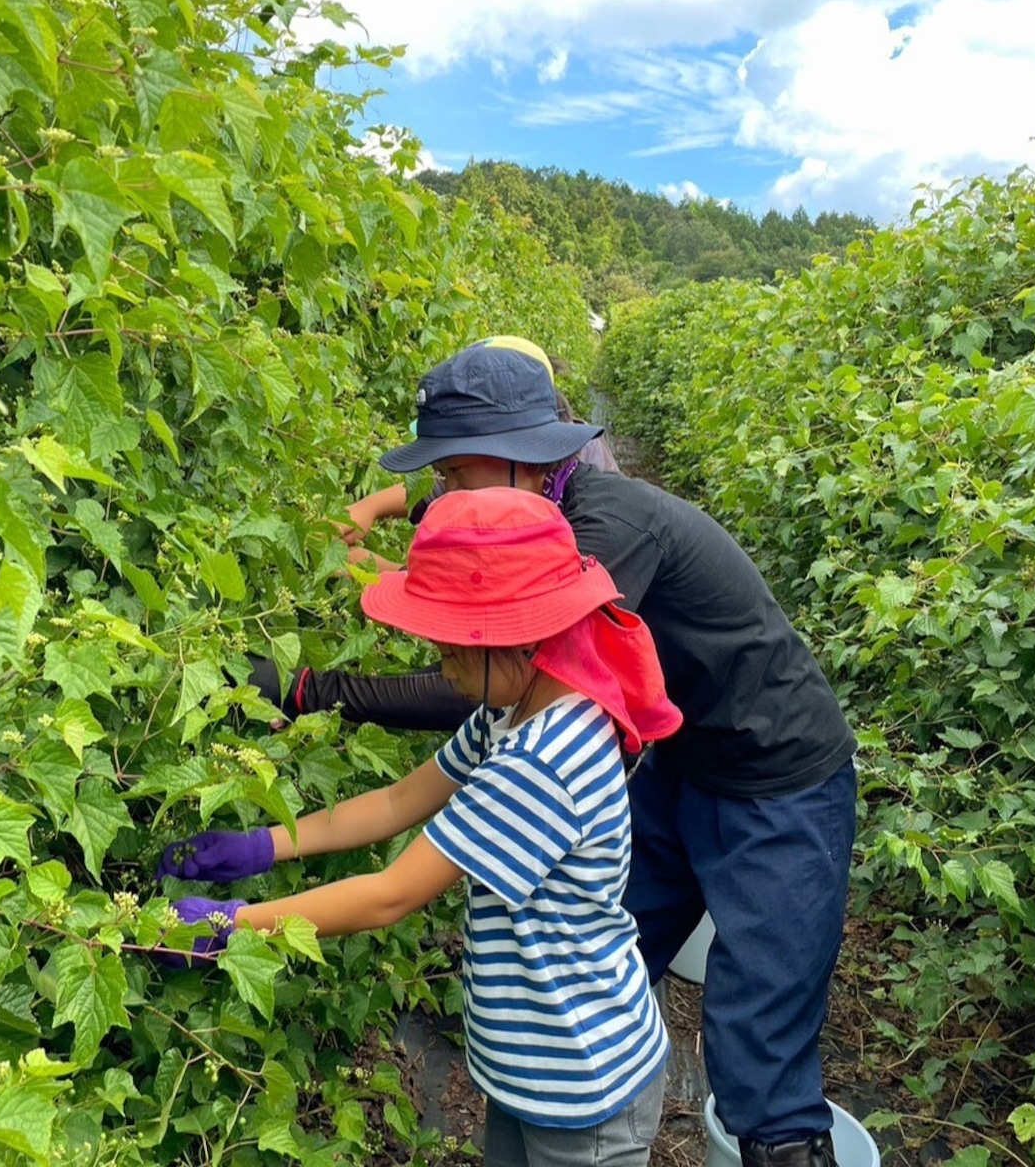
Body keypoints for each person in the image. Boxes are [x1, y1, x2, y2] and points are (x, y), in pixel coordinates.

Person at [238, 345, 857, 1167]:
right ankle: (596, 1069)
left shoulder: (591, 551)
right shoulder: (526, 548)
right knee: (608, 932)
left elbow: (457, 706)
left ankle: (772, 1140)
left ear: (529, 459)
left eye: (455, 474)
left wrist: (310, 691)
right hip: (682, 763)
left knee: (759, 1038)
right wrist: (373, 519)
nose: (443, 493)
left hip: (777, 772)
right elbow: (462, 656)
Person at [159, 488, 682, 1166]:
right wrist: (264, 846)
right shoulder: (513, 710)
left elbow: (392, 895)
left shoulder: (544, 760)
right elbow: (400, 799)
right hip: (533, 1069)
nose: (442, 667)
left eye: (453, 649)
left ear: (516, 636)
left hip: (582, 1086)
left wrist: (230, 927)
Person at [339, 335, 617, 573]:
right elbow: (453, 486)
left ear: (520, 450)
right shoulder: (522, 473)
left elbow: (516, 599)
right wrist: (370, 507)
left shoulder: (600, 521)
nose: (451, 489)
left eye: (455, 470)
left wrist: (387, 573)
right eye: (443, 472)